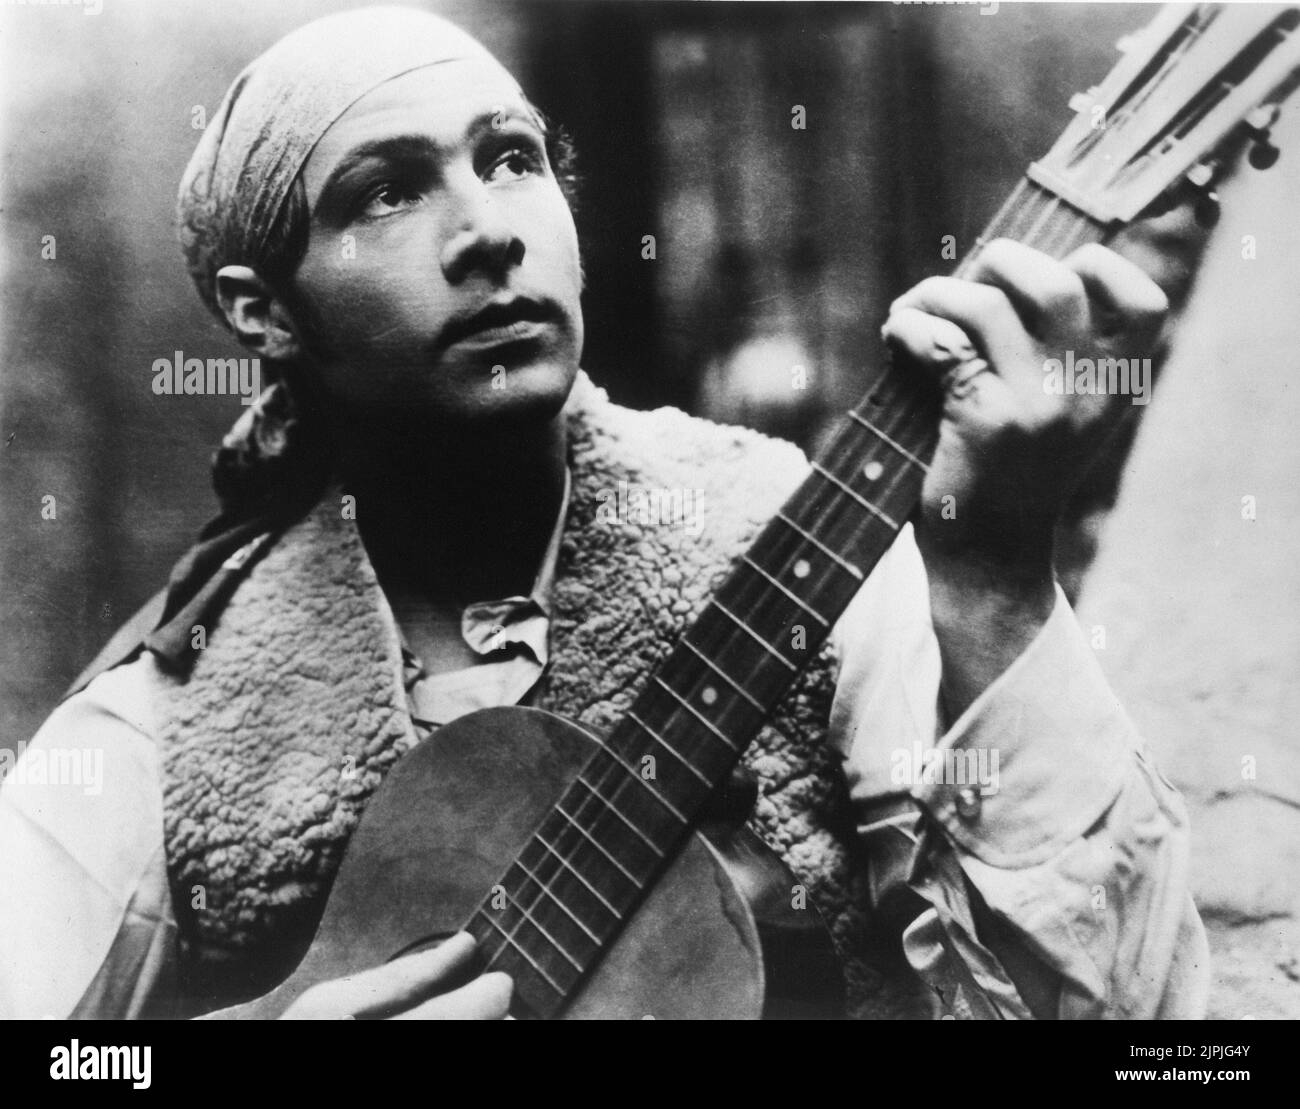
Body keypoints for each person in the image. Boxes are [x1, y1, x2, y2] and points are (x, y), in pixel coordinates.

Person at [0, 6, 1208, 1020]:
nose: (488, 232)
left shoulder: (808, 564)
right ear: (261, 313)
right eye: (385, 192)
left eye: (511, 158)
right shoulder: (179, 709)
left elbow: (1141, 1019)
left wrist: (993, 578)